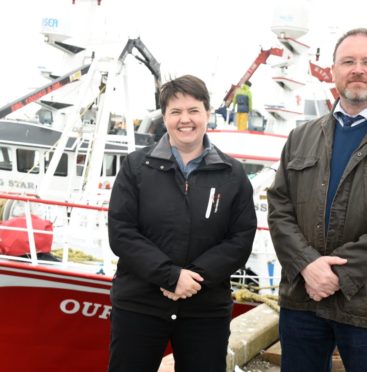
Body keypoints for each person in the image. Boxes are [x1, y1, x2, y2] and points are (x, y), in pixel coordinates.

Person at [267, 28, 367, 372]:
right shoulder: (301, 137)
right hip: (303, 300)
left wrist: (337, 274)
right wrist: (308, 266)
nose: (358, 69)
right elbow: (280, 208)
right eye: (348, 61)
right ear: (334, 70)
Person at [107, 74, 257, 372]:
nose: (184, 120)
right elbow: (122, 232)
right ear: (164, 117)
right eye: (175, 112)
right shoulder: (136, 167)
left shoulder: (232, 173)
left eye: (193, 111)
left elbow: (240, 239)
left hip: (205, 309)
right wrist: (170, 276)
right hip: (140, 304)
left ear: (207, 114)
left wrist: (194, 278)